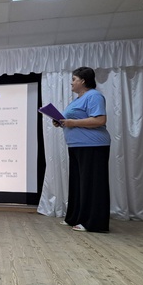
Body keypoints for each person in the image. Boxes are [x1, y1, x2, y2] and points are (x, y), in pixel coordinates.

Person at [54, 67, 111, 232]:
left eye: (74, 79)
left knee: (92, 185)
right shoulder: (77, 99)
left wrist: (72, 122)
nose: (71, 83)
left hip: (93, 146)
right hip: (77, 146)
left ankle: (93, 223)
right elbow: (73, 120)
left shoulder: (94, 96)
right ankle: (75, 217)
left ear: (83, 81)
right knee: (78, 185)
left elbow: (100, 120)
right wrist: (61, 122)